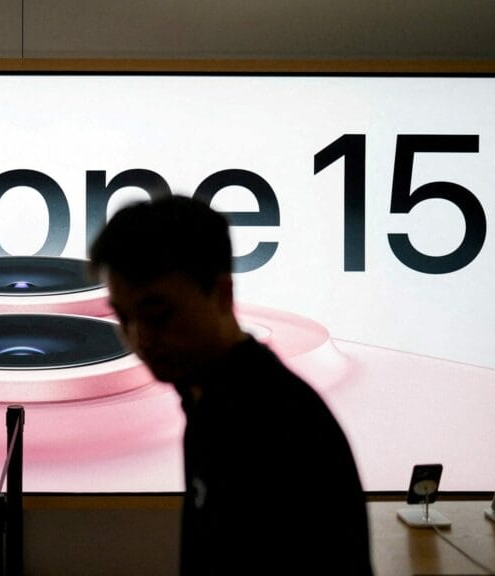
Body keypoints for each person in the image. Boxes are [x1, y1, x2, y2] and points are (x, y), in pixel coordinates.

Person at [89, 196, 373, 575]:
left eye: (158, 314)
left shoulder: (277, 421)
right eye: (124, 318)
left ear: (222, 294)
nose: (141, 339)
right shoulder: (206, 400)